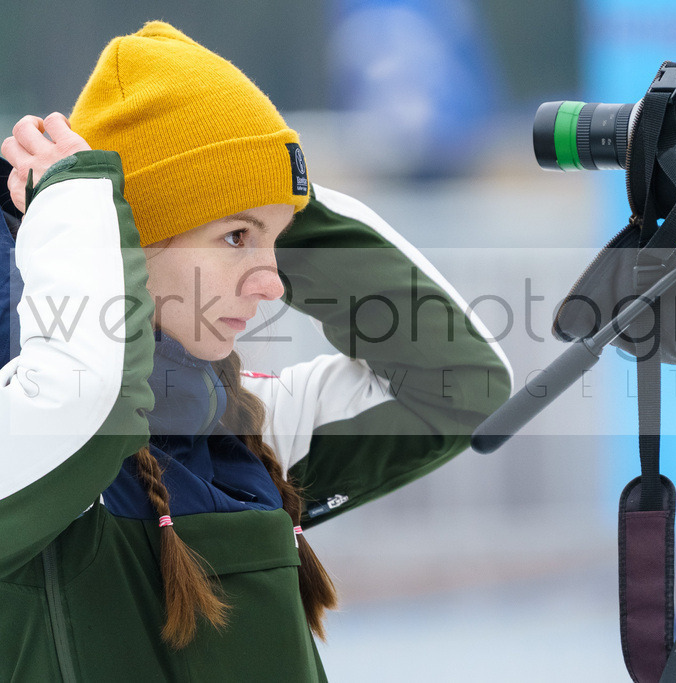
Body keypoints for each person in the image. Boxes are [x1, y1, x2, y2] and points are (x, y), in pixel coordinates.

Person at [0, 22, 511, 680]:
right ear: (125, 239)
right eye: (237, 237)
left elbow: (463, 383)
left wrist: (274, 188)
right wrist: (84, 206)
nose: (274, 282)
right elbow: (89, 395)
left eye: (280, 241)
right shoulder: (27, 438)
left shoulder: (244, 426)